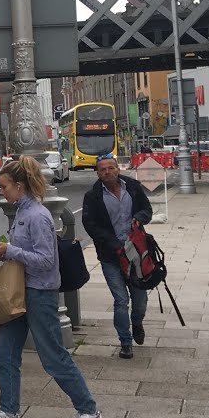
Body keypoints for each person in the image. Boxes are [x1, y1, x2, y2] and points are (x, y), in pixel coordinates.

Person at [0, 155, 105, 418]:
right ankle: (9, 411)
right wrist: (3, 248)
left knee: (53, 357)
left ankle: (89, 411)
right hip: (21, 291)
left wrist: (9, 251)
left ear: (20, 185)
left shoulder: (37, 215)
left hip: (39, 294)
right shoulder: (22, 212)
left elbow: (47, 260)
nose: (2, 191)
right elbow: (25, 250)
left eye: (5, 186)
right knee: (5, 353)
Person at [81, 154, 153, 359]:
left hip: (136, 253)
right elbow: (90, 225)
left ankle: (137, 322)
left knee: (140, 298)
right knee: (121, 300)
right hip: (111, 256)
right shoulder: (92, 196)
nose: (107, 172)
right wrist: (112, 244)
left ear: (118, 169)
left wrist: (139, 219)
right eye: (102, 169)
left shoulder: (133, 187)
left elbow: (147, 210)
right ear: (98, 173)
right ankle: (125, 341)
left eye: (111, 168)